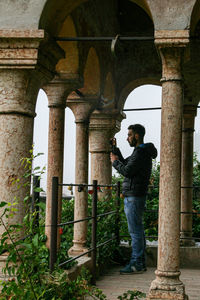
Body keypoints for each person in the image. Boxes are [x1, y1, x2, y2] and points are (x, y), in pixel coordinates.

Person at [110, 124, 157, 274]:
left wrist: (114, 162)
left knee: (135, 231)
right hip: (136, 195)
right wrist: (115, 150)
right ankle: (140, 262)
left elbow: (127, 171)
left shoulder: (140, 153)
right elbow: (127, 163)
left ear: (137, 136)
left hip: (134, 196)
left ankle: (136, 263)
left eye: (129, 135)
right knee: (138, 230)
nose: (127, 138)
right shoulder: (141, 152)